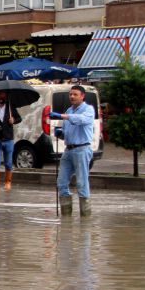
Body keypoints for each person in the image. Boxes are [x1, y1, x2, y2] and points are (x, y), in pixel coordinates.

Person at [51, 85, 96, 217]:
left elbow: (82, 120)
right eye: (70, 94)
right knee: (61, 182)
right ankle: (66, 218)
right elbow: (67, 132)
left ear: (82, 96)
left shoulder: (88, 109)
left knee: (81, 182)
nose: (72, 96)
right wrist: (61, 133)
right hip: (68, 150)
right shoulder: (69, 110)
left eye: (75, 94)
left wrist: (62, 116)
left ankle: (85, 217)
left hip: (82, 149)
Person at [0, 90, 23, 191]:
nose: (1, 99)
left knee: (8, 162)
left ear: (5, 97)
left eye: (3, 96)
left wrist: (13, 120)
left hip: (8, 138)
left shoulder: (10, 107)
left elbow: (19, 118)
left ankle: (8, 182)